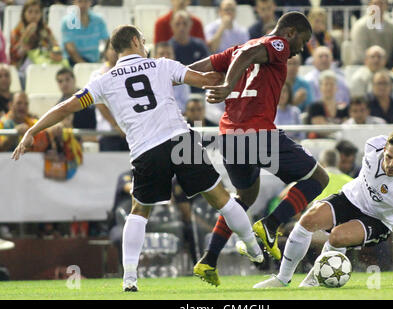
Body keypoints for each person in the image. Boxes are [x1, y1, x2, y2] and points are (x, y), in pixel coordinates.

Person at [12, 24, 263, 292]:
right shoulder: (161, 66)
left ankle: (129, 278)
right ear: (134, 41)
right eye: (142, 41)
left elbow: (65, 107)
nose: (145, 45)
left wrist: (33, 129)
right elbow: (207, 80)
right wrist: (242, 68)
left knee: (139, 211)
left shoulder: (103, 81)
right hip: (181, 139)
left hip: (146, 149)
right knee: (220, 197)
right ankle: (255, 250)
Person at [188, 11, 329, 285]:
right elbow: (248, 57)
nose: (301, 48)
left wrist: (175, 78)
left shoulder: (237, 48)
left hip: (229, 136)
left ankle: (208, 259)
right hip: (257, 134)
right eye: (303, 40)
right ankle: (271, 224)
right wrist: (228, 85)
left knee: (244, 197)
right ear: (289, 32)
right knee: (318, 178)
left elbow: (202, 66)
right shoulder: (278, 44)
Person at [254, 130, 393, 288]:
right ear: (384, 149)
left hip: (378, 220)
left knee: (337, 236)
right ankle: (282, 279)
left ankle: (315, 278)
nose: (391, 164)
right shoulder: (373, 145)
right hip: (350, 198)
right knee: (307, 220)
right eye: (388, 156)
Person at [10, 0, 63, 82]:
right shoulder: (17, 31)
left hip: (45, 63)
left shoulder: (45, 30)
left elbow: (56, 46)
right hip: (24, 68)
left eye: (37, 12)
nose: (33, 15)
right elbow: (14, 56)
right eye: (30, 12)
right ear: (24, 14)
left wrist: (55, 53)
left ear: (41, 14)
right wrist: (26, 36)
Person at [89, 39, 128, 151]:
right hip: (108, 133)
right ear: (105, 52)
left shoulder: (131, 73)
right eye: (112, 48)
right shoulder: (97, 75)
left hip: (131, 132)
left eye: (118, 48)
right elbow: (99, 103)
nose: (115, 52)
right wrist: (116, 125)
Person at [169, 10, 210, 93]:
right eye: (178, 24)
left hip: (201, 92)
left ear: (190, 25)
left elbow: (209, 67)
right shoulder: (167, 49)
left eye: (185, 23)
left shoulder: (200, 45)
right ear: (172, 25)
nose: (181, 27)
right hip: (176, 94)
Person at [350, 0, 393, 65]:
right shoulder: (360, 26)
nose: (378, 7)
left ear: (386, 5)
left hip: (388, 66)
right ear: (370, 5)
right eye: (375, 4)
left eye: (381, 3)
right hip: (363, 66)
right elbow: (360, 52)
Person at [61, 0, 109, 66]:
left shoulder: (99, 20)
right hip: (73, 63)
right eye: (80, 1)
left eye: (86, 1)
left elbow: (107, 42)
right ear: (74, 2)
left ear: (90, 2)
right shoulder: (67, 21)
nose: (83, 5)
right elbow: (70, 49)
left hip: (95, 61)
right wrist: (85, 66)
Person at [154, 41, 191, 113]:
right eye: (161, 54)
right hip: (155, 119)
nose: (165, 57)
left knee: (197, 120)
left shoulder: (182, 76)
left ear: (174, 56)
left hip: (179, 117)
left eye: (168, 54)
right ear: (154, 57)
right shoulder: (148, 77)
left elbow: (185, 104)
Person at [55, 68, 97, 132]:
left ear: (74, 80)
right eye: (60, 81)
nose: (64, 84)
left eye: (67, 79)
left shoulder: (87, 97)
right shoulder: (58, 106)